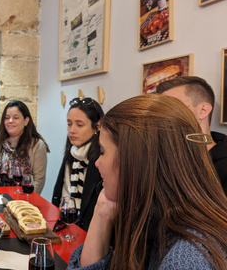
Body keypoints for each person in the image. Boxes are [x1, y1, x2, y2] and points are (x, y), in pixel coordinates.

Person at [68, 94, 227, 270]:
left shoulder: (185, 260)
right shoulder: (147, 219)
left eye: (103, 152)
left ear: (136, 161)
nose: (97, 162)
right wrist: (102, 211)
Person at [157, 76, 227, 196]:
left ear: (203, 110)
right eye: (162, 108)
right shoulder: (160, 159)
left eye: (174, 106)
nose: (163, 115)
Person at [51, 97, 104, 231]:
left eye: (79, 125)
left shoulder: (101, 160)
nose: (72, 130)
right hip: (66, 226)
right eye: (69, 124)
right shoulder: (72, 152)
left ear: (97, 126)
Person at [0, 100, 50, 194]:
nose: (10, 121)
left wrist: (23, 203)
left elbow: (38, 181)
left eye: (16, 117)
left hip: (26, 201)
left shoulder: (37, 145)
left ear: (26, 121)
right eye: (7, 118)